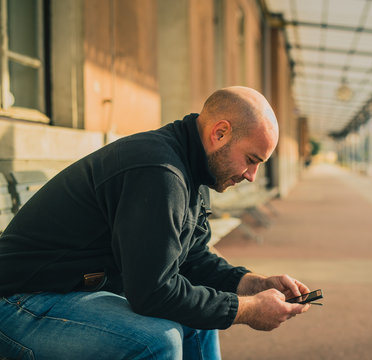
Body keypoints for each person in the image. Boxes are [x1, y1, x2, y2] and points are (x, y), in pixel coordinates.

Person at [0, 86, 311, 359]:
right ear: (220, 133)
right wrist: (249, 310)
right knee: (156, 342)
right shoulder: (159, 172)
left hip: (70, 294)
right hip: (19, 303)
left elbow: (194, 259)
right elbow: (153, 293)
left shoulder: (195, 168)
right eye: (251, 159)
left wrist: (255, 284)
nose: (251, 175)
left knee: (197, 320)